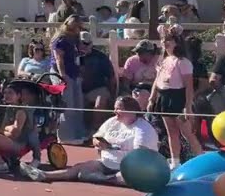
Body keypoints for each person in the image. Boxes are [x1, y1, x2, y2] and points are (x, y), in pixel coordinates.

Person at [22, 96, 158, 185]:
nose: (115, 111)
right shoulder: (112, 122)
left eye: (119, 108)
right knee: (79, 169)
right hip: (106, 163)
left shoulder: (142, 128)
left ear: (131, 110)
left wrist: (113, 147)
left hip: (129, 167)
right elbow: (96, 136)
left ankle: (106, 179)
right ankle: (43, 175)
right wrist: (97, 142)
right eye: (115, 108)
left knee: (125, 177)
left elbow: (140, 155)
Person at [150, 33, 203, 168]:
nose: (165, 42)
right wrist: (152, 97)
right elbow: (157, 80)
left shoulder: (183, 62)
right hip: (164, 97)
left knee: (187, 133)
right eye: (164, 39)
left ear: (177, 43)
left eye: (169, 40)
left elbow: (189, 87)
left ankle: (202, 160)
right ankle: (175, 162)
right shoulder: (163, 60)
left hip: (178, 97)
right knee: (171, 132)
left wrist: (188, 106)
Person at [52, 15, 88, 144]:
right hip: (63, 73)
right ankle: (66, 136)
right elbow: (59, 59)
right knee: (68, 105)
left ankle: (78, 133)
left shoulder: (75, 39)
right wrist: (62, 76)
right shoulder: (61, 39)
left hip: (74, 73)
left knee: (78, 104)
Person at [77, 32, 117, 129]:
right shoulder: (72, 56)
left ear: (91, 44)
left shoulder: (100, 57)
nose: (82, 46)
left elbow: (111, 77)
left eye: (85, 43)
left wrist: (113, 95)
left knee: (101, 99)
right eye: (80, 43)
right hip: (77, 89)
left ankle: (96, 131)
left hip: (97, 88)